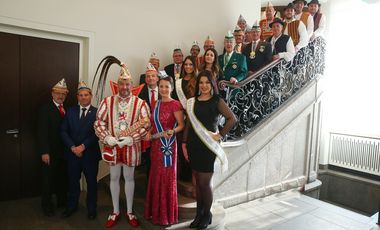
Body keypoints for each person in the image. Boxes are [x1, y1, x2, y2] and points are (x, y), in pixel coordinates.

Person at [93, 56, 150, 228]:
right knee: (114, 178)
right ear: (117, 85)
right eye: (121, 83)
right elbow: (98, 122)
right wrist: (106, 137)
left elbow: (146, 125)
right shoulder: (107, 102)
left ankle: (130, 211)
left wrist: (132, 138)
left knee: (130, 178)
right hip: (112, 147)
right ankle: (116, 211)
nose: (124, 87)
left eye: (127, 84)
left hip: (131, 147)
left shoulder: (141, 103)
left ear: (132, 85)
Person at [182, 70, 236, 229]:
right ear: (198, 84)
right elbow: (189, 124)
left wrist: (220, 135)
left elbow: (232, 119)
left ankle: (207, 214)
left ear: (212, 84)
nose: (204, 86)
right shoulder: (192, 102)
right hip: (194, 146)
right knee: (197, 183)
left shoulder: (216, 101)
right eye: (201, 83)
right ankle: (198, 214)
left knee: (205, 184)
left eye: (207, 82)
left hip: (208, 147)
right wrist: (184, 143)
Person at [144, 76, 185, 226]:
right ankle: (154, 213)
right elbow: (152, 123)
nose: (163, 89)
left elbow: (181, 125)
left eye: (166, 86)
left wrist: (172, 131)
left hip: (168, 146)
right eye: (161, 86)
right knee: (155, 175)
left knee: (167, 177)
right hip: (155, 145)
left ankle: (167, 215)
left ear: (172, 88)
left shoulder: (176, 104)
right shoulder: (155, 103)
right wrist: (148, 132)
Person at [60, 81, 101, 220]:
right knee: (72, 182)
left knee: (91, 183)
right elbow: (63, 131)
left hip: (89, 155)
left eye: (86, 95)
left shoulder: (97, 112)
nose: (83, 97)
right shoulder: (70, 111)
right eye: (81, 95)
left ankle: (91, 209)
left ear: (91, 96)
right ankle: (72, 206)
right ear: (77, 97)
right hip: (72, 154)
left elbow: (98, 133)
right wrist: (73, 147)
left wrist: (82, 146)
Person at [38, 78, 69, 217]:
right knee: (48, 180)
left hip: (65, 152)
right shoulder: (45, 109)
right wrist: (44, 152)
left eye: (63, 94)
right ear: (52, 94)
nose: (60, 96)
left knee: (62, 178)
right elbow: (41, 132)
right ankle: (46, 205)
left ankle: (62, 202)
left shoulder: (68, 109)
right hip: (50, 152)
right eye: (57, 93)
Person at [138, 62, 160, 179]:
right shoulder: (140, 93)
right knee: (148, 159)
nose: (150, 78)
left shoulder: (164, 90)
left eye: (153, 76)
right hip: (146, 131)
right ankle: (149, 184)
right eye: (148, 76)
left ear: (157, 78)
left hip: (161, 130)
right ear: (145, 79)